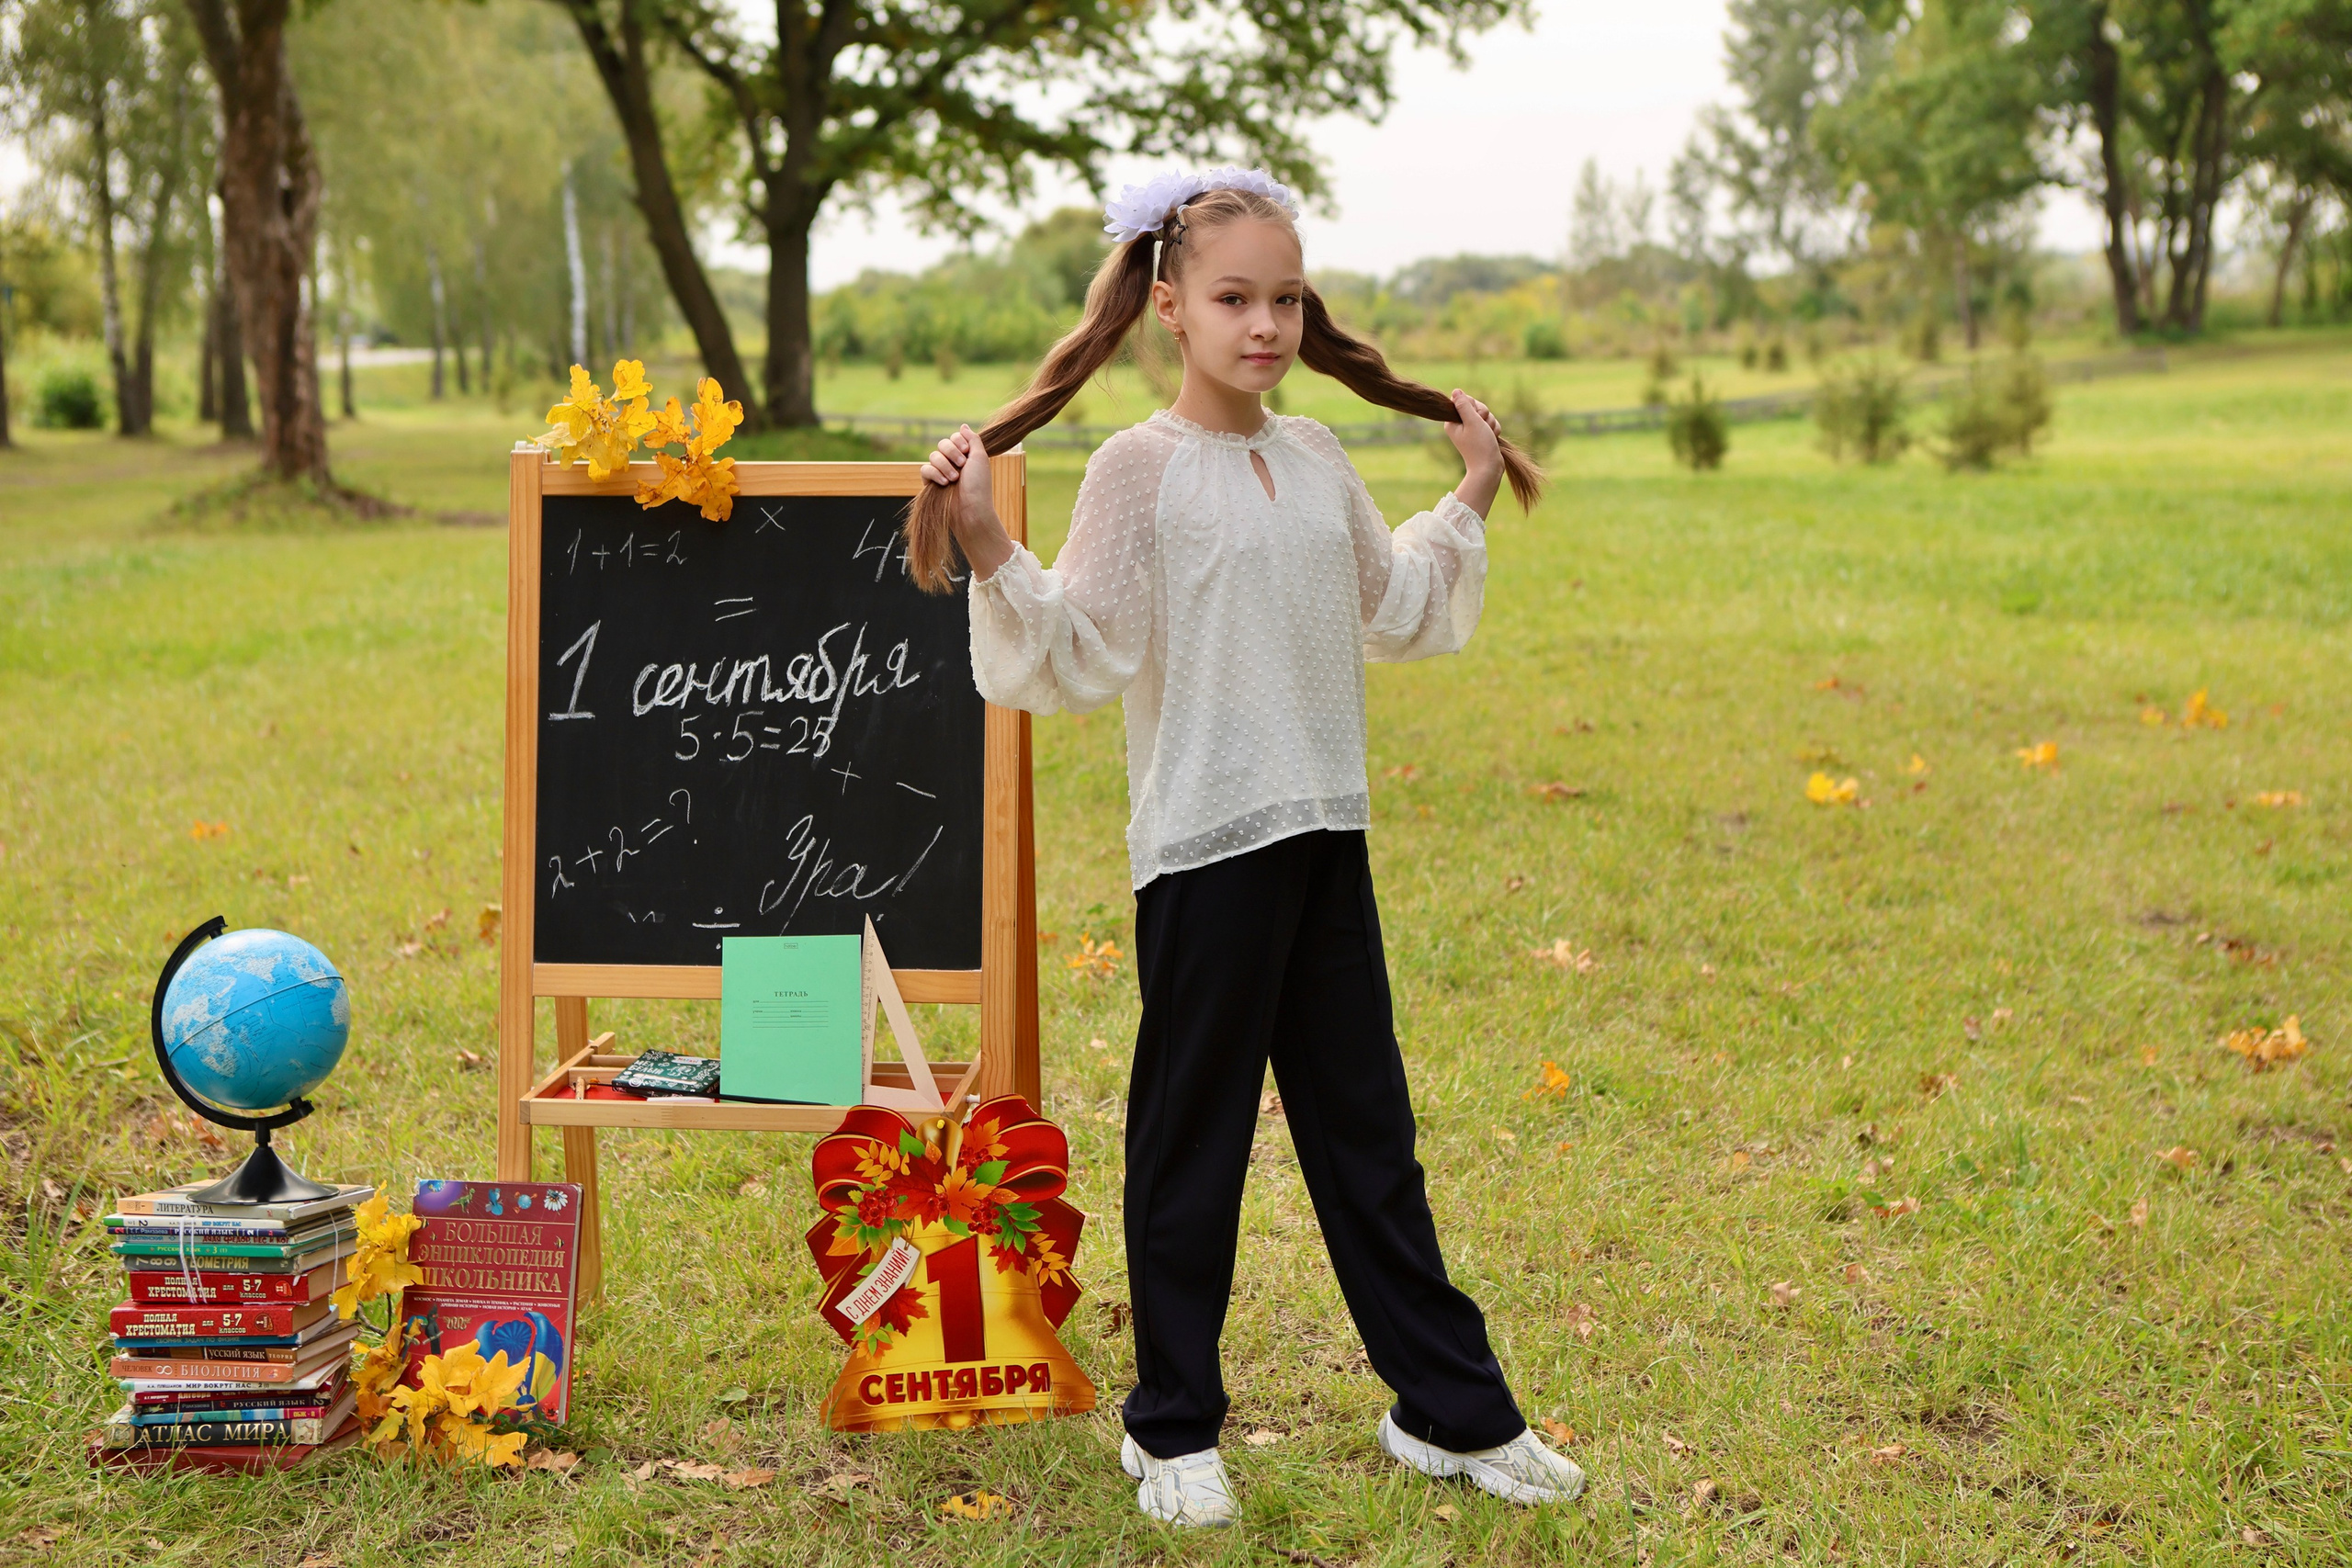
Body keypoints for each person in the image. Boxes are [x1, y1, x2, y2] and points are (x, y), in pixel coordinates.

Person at [906, 168, 1581, 1528]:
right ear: (1169, 308)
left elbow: (1390, 607)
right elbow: (1083, 650)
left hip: (1327, 831)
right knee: (1192, 1146)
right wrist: (984, 540)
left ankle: (1449, 1409)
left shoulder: (1320, 455)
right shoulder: (1135, 471)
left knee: (1370, 1139)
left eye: (1284, 298)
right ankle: (1170, 1427)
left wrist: (1462, 496)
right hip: (1207, 851)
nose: (1263, 324)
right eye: (1233, 298)